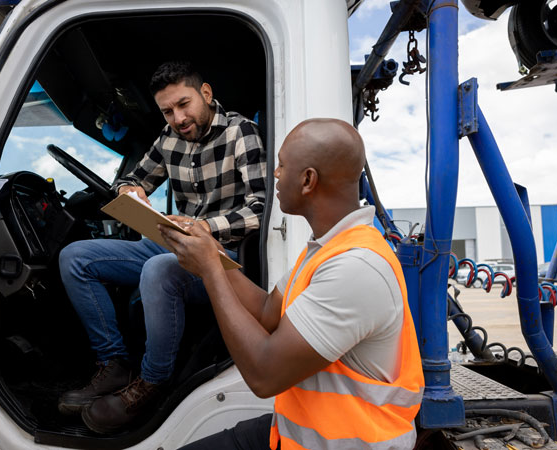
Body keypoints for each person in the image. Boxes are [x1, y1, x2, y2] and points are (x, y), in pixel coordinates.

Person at [160, 118, 424, 450]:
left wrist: (211, 272)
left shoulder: (356, 267)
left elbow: (264, 374)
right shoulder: (327, 249)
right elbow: (268, 311)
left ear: (308, 180)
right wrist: (212, 255)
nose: (275, 173)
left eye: (282, 165)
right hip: (295, 434)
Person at [57, 61, 266, 434]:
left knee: (159, 269)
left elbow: (261, 208)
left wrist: (205, 227)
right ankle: (115, 363)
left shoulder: (241, 132)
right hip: (171, 244)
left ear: (206, 94)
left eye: (184, 105)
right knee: (76, 258)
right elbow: (136, 175)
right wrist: (128, 189)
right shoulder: (168, 137)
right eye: (168, 111)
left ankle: (153, 382)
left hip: (222, 258)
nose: (178, 117)